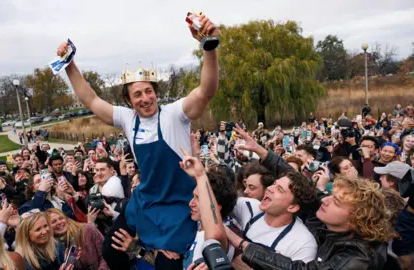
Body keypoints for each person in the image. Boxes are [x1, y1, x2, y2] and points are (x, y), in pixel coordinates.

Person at [57, 13, 220, 268]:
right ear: (128, 100)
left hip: (176, 206)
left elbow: (206, 90)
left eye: (149, 91)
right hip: (144, 202)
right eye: (137, 94)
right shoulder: (126, 118)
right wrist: (69, 64)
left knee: (169, 266)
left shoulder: (175, 114)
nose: (145, 98)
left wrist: (209, 47)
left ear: (156, 92)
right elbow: (90, 99)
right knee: (111, 251)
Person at [241, 177, 393, 270]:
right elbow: (300, 188)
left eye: (337, 202)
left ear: (355, 220)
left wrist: (242, 245)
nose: (325, 200)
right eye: (330, 196)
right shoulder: (328, 223)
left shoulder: (357, 259)